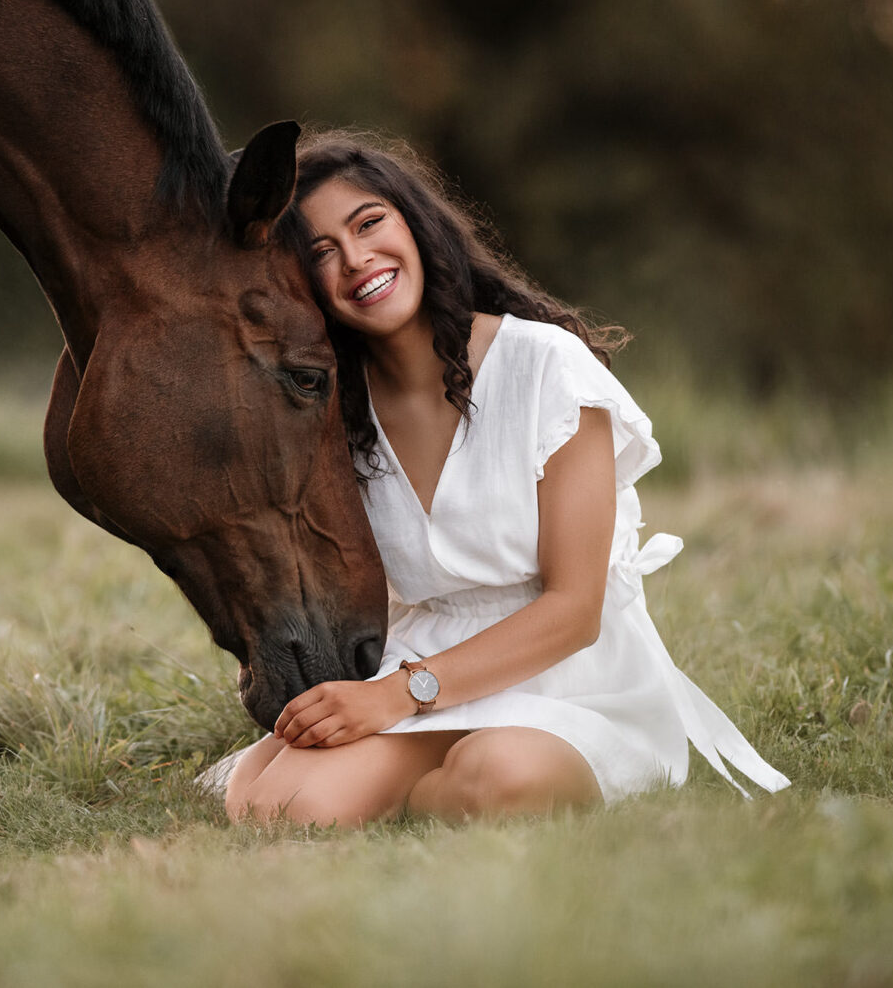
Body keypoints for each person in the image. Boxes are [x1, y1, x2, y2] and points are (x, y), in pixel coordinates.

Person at [218, 131, 789, 827]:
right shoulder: (333, 407)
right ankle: (416, 781)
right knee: (276, 807)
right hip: (420, 653)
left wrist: (395, 699)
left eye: (369, 224)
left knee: (501, 776)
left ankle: (432, 784)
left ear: (414, 224)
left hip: (569, 674)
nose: (357, 260)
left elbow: (574, 609)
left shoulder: (546, 366)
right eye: (321, 253)